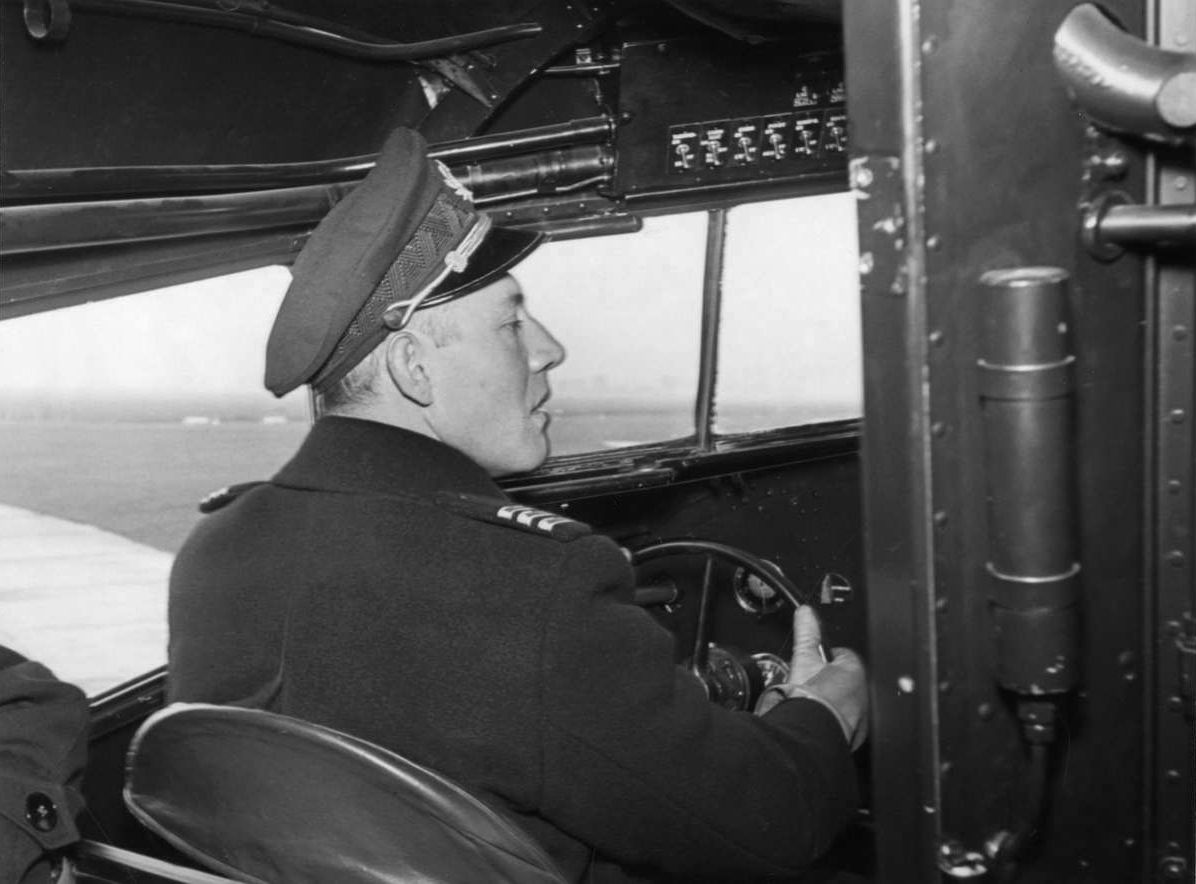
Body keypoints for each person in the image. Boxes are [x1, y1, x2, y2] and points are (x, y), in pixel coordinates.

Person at [168, 127, 868, 883]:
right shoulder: (534, 586)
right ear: (413, 368)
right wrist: (824, 715)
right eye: (510, 323)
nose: (550, 348)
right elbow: (769, 822)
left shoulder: (213, 552)